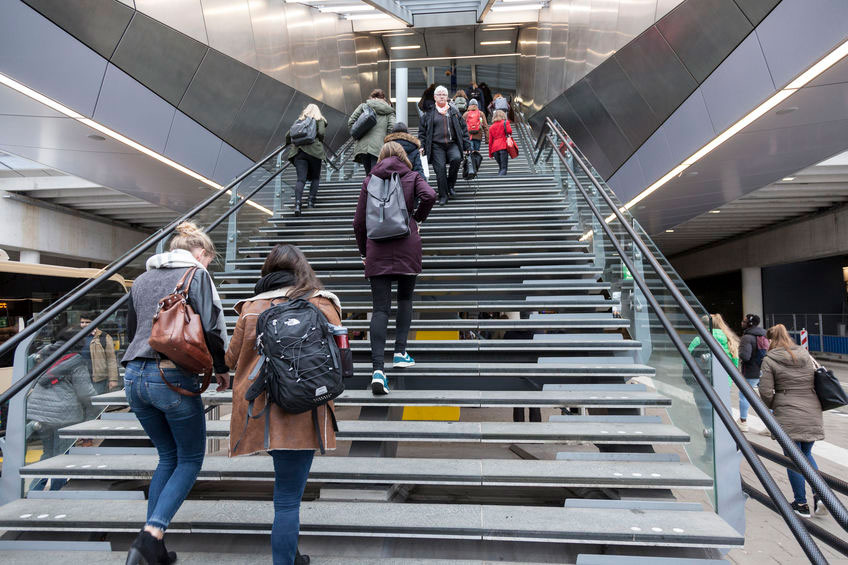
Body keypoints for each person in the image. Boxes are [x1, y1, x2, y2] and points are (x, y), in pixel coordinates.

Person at [121, 221, 230, 565]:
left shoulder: (141, 279)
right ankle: (150, 535)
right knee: (190, 459)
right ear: (201, 253)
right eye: (209, 259)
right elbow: (211, 327)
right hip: (171, 375)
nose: (208, 264)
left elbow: (132, 329)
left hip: (134, 376)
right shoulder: (196, 275)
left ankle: (155, 550)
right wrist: (221, 367)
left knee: (167, 457)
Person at [227, 243, 341, 565]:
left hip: (263, 409)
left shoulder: (252, 307)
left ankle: (292, 555)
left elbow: (231, 359)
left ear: (267, 271)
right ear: (302, 270)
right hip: (306, 407)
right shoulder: (323, 303)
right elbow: (339, 353)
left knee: (286, 494)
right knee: (289, 499)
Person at [353, 142, 436, 395]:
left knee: (380, 309)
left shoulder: (370, 180)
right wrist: (416, 218)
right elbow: (430, 195)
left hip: (377, 248)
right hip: (406, 244)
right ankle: (400, 352)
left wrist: (364, 252)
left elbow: (358, 222)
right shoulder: (412, 176)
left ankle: (378, 370)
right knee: (405, 300)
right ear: (403, 157)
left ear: (381, 157)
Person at [758, 324, 825, 518]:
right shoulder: (805, 354)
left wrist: (775, 404)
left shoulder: (770, 359)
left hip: (787, 412)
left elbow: (765, 391)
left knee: (792, 458)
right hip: (812, 409)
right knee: (807, 454)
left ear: (771, 340)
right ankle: (821, 496)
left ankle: (801, 504)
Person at [27, 331, 97, 491]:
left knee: (48, 453)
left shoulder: (43, 354)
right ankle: (57, 491)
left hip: (39, 412)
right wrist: (99, 404)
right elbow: (85, 392)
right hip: (63, 414)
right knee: (63, 454)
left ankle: (34, 490)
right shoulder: (76, 360)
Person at [418, 85, 471, 206]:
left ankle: (450, 185)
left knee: (457, 159)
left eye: (444, 95)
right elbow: (422, 132)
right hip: (436, 146)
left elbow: (463, 129)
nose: (441, 97)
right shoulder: (428, 114)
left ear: (447, 97)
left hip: (452, 144)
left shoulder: (454, 111)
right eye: (439, 95)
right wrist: (421, 145)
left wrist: (467, 146)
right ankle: (443, 195)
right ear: (435, 97)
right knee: (440, 169)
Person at [285, 104, 327, 216]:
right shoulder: (320, 120)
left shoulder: (300, 121)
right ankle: (310, 202)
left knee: (300, 179)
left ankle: (297, 204)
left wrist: (291, 143)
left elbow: (288, 135)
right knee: (315, 178)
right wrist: (319, 140)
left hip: (299, 152)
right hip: (314, 152)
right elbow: (321, 133)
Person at [348, 89, 396, 176]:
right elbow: (392, 128)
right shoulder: (389, 111)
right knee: (376, 175)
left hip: (363, 147)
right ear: (384, 98)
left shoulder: (364, 106)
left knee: (369, 175)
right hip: (379, 147)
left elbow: (351, 122)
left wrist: (359, 132)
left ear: (372, 97)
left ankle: (370, 184)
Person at [738, 313, 768, 431]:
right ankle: (771, 427)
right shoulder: (765, 335)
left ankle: (743, 422)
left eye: (744, 321)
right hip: (765, 370)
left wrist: (740, 351)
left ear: (749, 323)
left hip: (751, 371)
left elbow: (745, 356)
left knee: (744, 396)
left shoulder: (747, 338)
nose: (742, 323)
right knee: (766, 398)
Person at [78, 312, 120, 395]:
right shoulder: (77, 337)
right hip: (81, 377)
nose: (84, 325)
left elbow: (111, 359)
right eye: (82, 322)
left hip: (98, 378)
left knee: (97, 400)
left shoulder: (104, 337)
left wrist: (113, 379)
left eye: (87, 322)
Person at [488, 110, 513, 176]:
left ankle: (499, 178)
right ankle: (499, 179)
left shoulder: (491, 127)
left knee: (501, 167)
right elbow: (509, 131)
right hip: (503, 146)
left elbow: (490, 141)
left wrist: (490, 154)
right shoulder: (505, 123)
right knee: (504, 167)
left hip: (495, 149)